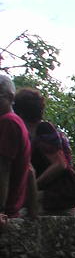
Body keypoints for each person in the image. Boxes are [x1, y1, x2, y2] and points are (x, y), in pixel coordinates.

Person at [13, 86, 75, 216]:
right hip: (52, 198)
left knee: (15, 215)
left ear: (20, 113)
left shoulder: (44, 129)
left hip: (62, 199)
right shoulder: (30, 134)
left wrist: (31, 187)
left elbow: (60, 164)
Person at [0, 73, 38, 229]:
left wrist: (1, 210)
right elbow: (30, 170)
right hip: (14, 211)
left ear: (10, 97)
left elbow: (3, 169)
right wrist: (33, 212)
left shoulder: (8, 122)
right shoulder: (17, 122)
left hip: (7, 211)